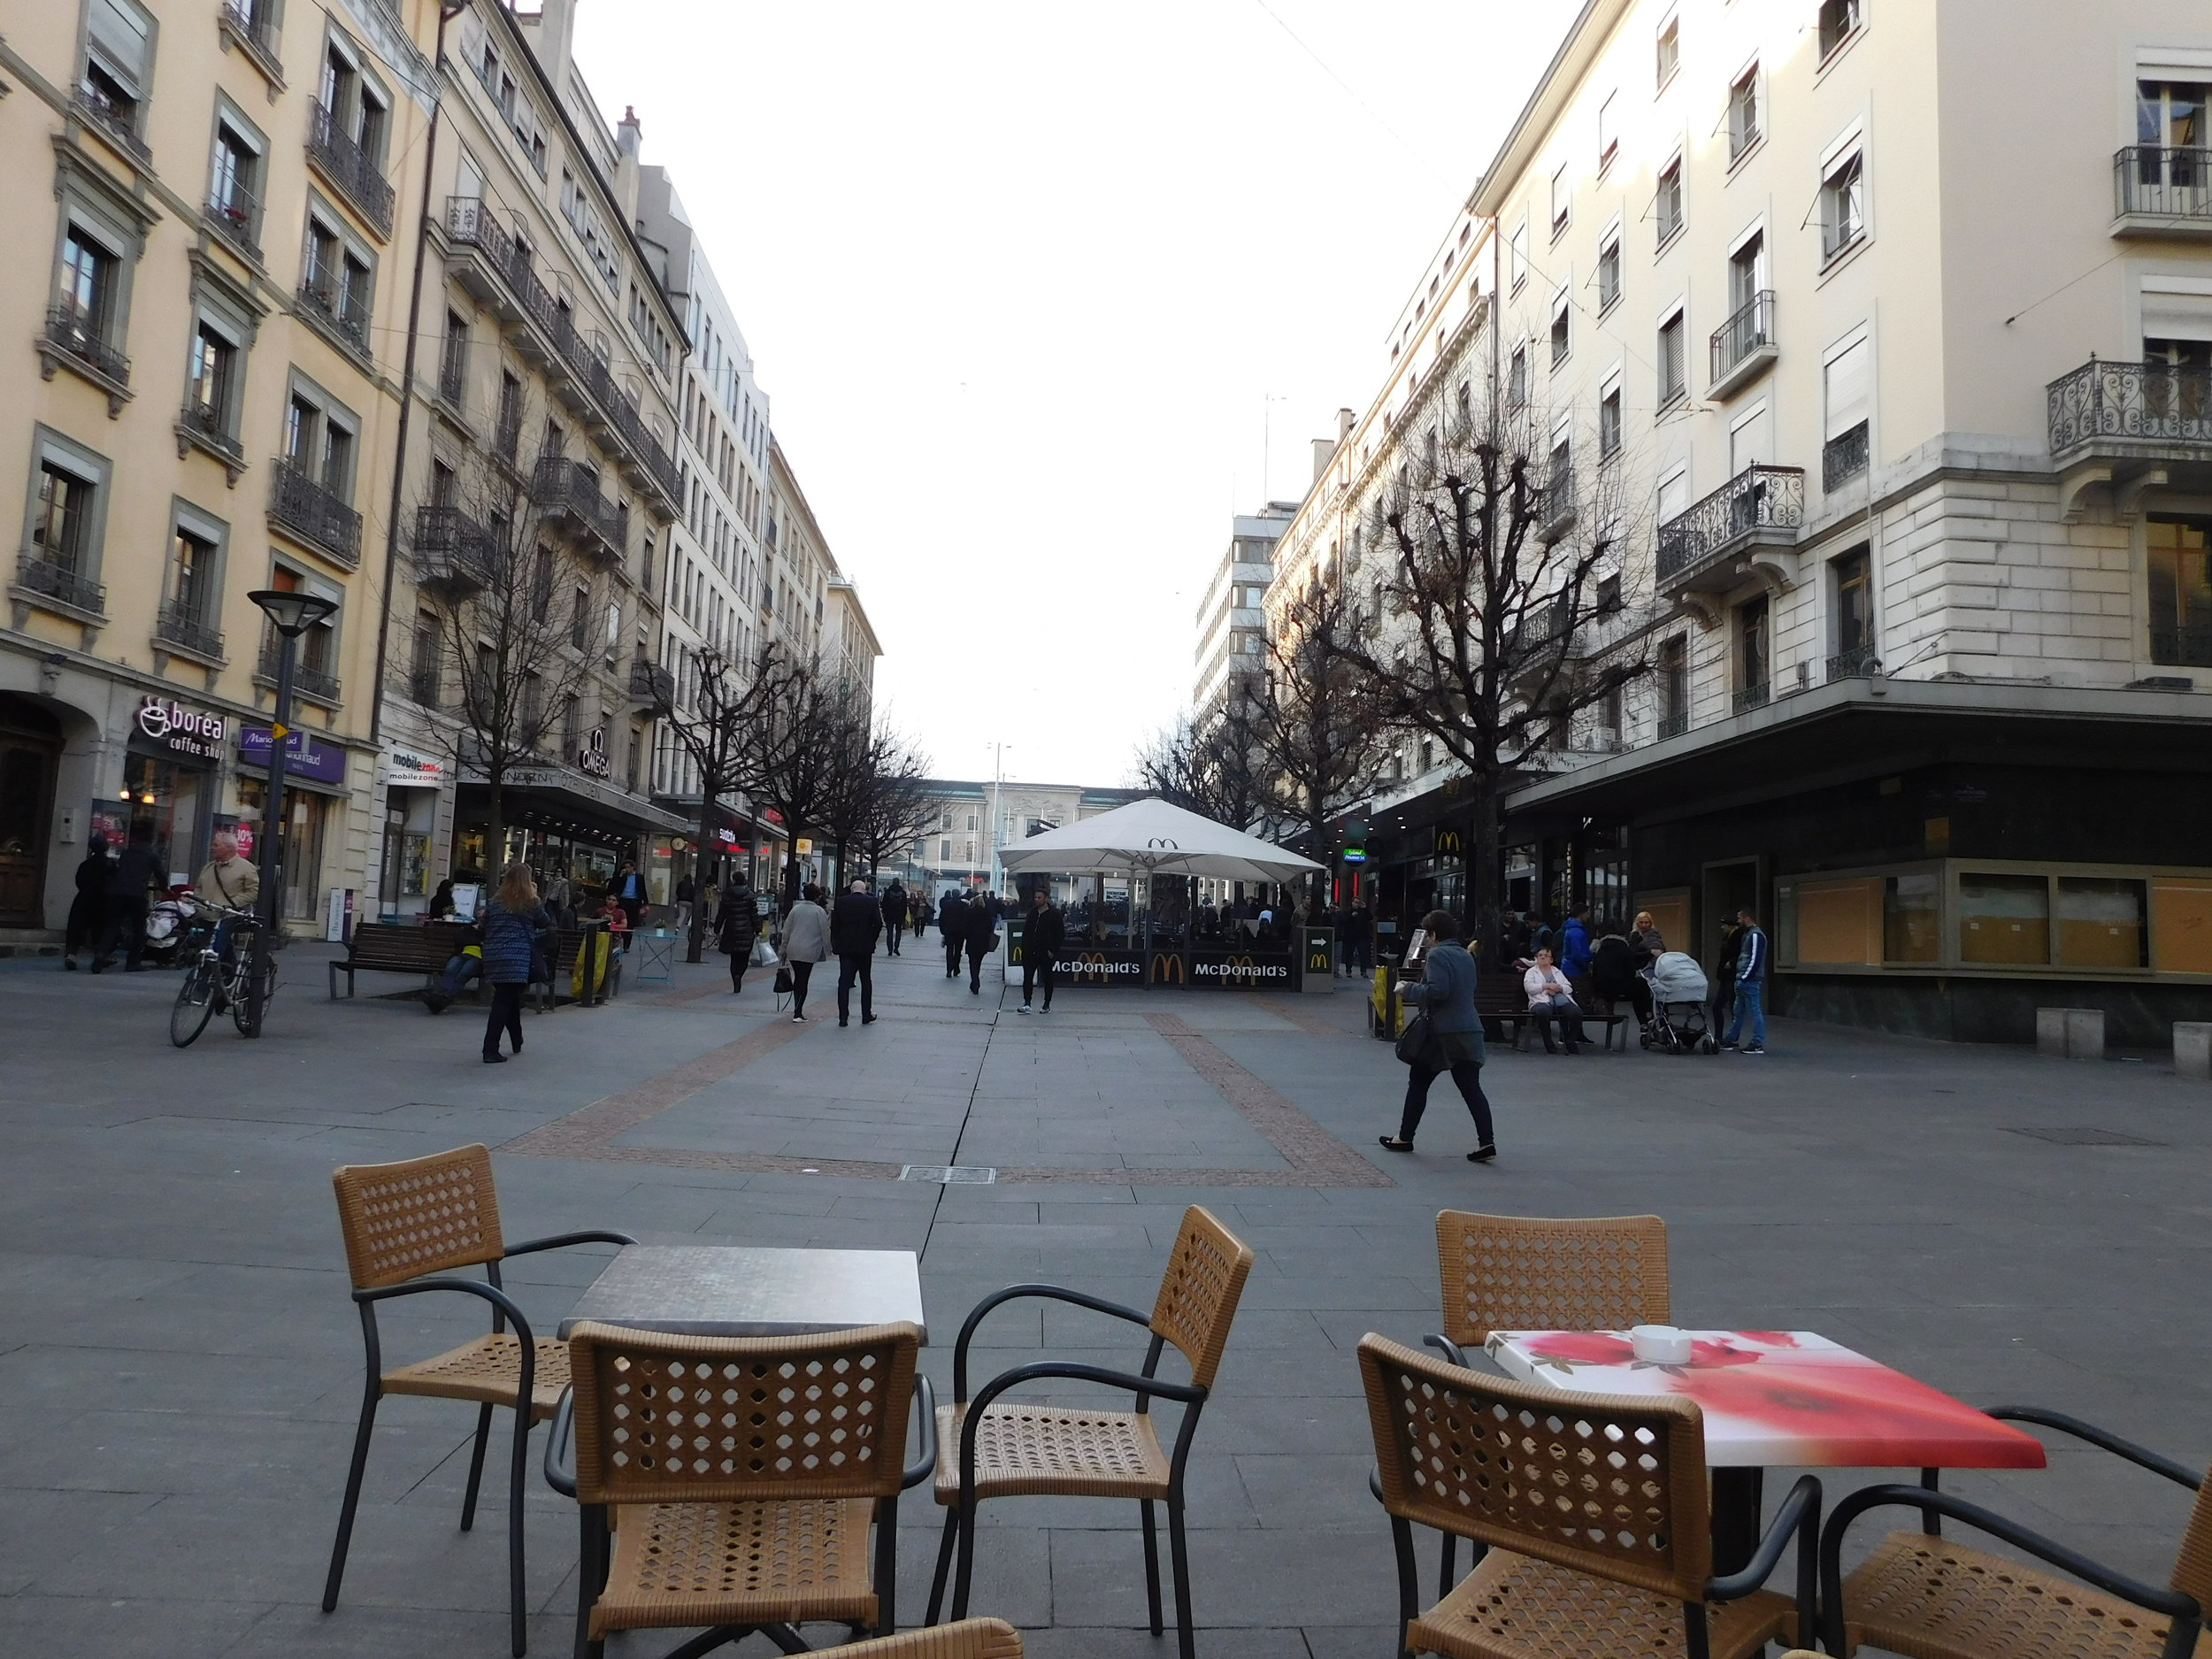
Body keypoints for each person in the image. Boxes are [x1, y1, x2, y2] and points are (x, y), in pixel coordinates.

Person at [1378, 910, 1495, 1163]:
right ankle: (1487, 1142)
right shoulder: (1466, 955)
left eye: (1428, 934)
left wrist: (1407, 988)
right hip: (1470, 1028)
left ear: (1434, 934)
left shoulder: (1437, 955)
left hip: (1443, 1033)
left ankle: (1405, 1137)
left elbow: (1438, 991)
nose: (1428, 940)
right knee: (1471, 1088)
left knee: (1418, 1082)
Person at [478, 864, 551, 1064]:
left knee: (508, 998)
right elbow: (545, 922)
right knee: (503, 1002)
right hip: (517, 957)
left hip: (494, 955)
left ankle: (517, 1040)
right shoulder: (531, 902)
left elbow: (482, 926)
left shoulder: (495, 902)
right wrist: (537, 897)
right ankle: (490, 1049)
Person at [192, 831, 260, 970]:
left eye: (216, 845)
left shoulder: (246, 868)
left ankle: (202, 986)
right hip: (207, 915)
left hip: (229, 915)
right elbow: (198, 888)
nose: (212, 847)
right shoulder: (209, 867)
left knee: (215, 951)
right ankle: (229, 973)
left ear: (228, 848)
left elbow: (253, 892)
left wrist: (231, 904)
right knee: (213, 949)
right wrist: (199, 902)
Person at [831, 877, 883, 1026]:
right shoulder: (871, 902)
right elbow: (878, 923)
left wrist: (837, 942)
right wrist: (872, 938)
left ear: (852, 889)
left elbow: (835, 925)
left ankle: (843, 1017)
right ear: (864, 890)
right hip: (865, 948)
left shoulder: (841, 901)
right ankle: (866, 1014)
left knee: (844, 981)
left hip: (846, 947)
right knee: (866, 980)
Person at [1522, 946, 1587, 1055]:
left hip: (1560, 999)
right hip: (1540, 1001)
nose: (1542, 958)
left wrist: (1558, 988)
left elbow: (1568, 987)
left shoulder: (1557, 971)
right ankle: (1548, 1042)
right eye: (1540, 955)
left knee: (1576, 1013)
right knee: (1544, 1012)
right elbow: (1529, 988)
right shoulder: (1531, 972)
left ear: (1551, 960)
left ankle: (1570, 1040)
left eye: (1546, 956)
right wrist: (1546, 986)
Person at [1721, 908, 1769, 1055]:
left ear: (1747, 918)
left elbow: (1755, 959)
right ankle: (1732, 1038)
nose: (1738, 921)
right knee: (1738, 1011)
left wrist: (1745, 977)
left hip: (1749, 980)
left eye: (1740, 918)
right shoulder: (1749, 934)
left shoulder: (1755, 935)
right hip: (1743, 979)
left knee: (1754, 1011)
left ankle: (1757, 1042)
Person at [781, 882, 831, 1023]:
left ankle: (797, 1009)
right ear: (817, 897)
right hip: (809, 951)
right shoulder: (819, 912)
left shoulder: (795, 909)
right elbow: (824, 932)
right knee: (803, 979)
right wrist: (828, 950)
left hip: (793, 949)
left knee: (799, 978)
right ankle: (798, 1012)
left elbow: (786, 931)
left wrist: (783, 948)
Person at [63, 833, 109, 970]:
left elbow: (79, 881)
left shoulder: (85, 864)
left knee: (77, 928)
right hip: (102, 900)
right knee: (100, 928)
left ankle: (71, 955)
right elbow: (114, 881)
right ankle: (100, 955)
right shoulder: (109, 864)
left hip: (83, 899)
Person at [1018, 887, 1064, 1013]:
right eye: (1036, 897)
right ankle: (1027, 1003)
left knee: (1047, 978)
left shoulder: (1054, 914)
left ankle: (1046, 1004)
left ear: (1046, 899)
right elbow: (1026, 931)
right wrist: (1025, 947)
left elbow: (1060, 934)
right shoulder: (1032, 913)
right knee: (1028, 977)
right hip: (1030, 951)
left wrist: (1052, 950)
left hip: (1045, 952)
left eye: (1039, 897)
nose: (1037, 900)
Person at [716, 876, 758, 995]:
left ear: (734, 881)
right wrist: (758, 928)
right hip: (747, 930)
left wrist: (717, 928)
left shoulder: (727, 895)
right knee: (744, 957)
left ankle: (735, 978)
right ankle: (739, 975)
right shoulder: (750, 895)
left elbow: (721, 913)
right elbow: (754, 914)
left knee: (734, 958)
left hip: (731, 929)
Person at [1710, 914, 1745, 1036]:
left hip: (1733, 975)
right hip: (1725, 975)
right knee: (1716, 1006)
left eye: (1724, 925)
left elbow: (1742, 954)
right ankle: (1718, 1036)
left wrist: (1732, 962)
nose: (1722, 927)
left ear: (1731, 926)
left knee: (1733, 1006)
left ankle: (1733, 1036)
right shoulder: (1727, 937)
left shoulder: (1739, 937)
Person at [961, 889, 997, 995]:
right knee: (978, 963)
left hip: (972, 941)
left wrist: (967, 937)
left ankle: (975, 982)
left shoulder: (969, 913)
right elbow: (990, 928)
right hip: (983, 942)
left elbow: (965, 928)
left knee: (972, 963)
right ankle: (975, 982)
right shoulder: (987, 914)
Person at [939, 889, 966, 978]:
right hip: (960, 931)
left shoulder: (946, 905)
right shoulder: (963, 905)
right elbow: (967, 919)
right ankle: (956, 968)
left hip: (949, 931)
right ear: (959, 895)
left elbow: (942, 918)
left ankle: (949, 970)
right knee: (958, 950)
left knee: (949, 950)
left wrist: (942, 930)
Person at [1560, 907, 1593, 983]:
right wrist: (1586, 965)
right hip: (1575, 970)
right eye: (1587, 913)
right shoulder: (1577, 931)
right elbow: (1577, 954)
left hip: (1570, 968)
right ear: (1581, 915)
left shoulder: (1572, 929)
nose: (1589, 916)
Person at [614, 860, 646, 931]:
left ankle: (628, 939)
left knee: (631, 922)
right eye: (625, 867)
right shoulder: (622, 876)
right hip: (623, 900)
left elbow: (642, 889)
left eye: (628, 867)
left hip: (633, 901)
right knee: (620, 919)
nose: (626, 869)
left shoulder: (639, 877)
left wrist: (645, 903)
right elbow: (614, 886)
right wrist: (620, 876)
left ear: (633, 867)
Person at [880, 880, 908, 956]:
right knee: (898, 932)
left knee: (889, 933)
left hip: (889, 915)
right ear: (899, 883)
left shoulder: (888, 892)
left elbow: (884, 904)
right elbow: (905, 905)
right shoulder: (903, 893)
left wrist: (884, 914)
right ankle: (896, 947)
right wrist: (903, 916)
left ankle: (890, 949)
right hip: (899, 916)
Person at [674, 872, 695, 936]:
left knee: (681, 916)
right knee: (691, 911)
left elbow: (677, 892)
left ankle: (677, 928)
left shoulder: (680, 884)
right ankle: (689, 919)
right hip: (689, 902)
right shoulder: (691, 885)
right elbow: (693, 894)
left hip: (681, 901)